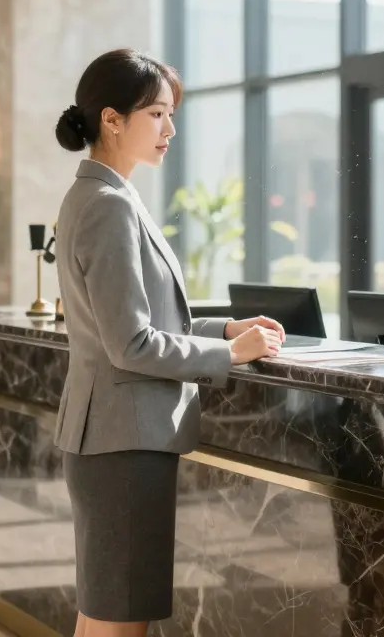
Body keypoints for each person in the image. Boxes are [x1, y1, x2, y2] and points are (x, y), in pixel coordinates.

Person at [52, 50, 285, 637]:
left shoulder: (103, 195)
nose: (169, 129)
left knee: (104, 616)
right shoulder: (107, 205)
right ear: (112, 120)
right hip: (123, 444)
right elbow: (130, 343)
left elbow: (140, 321)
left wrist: (224, 329)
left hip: (113, 439)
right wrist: (229, 356)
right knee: (118, 622)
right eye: (157, 114)